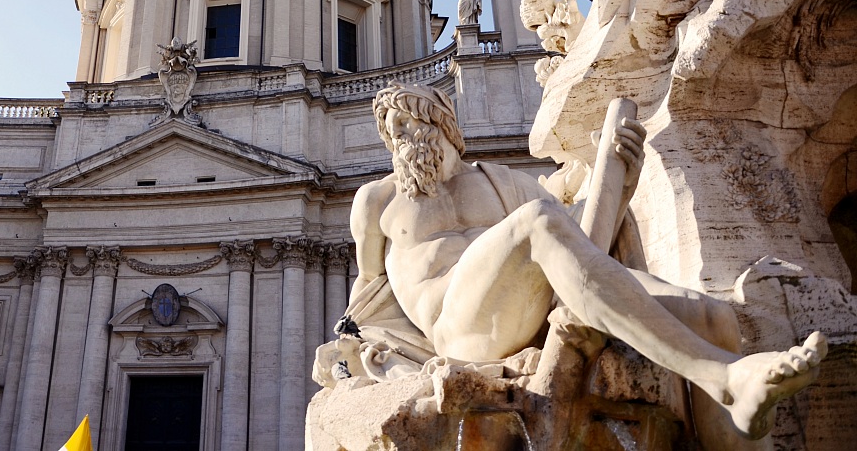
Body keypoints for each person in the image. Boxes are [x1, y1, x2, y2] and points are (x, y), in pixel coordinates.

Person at [343, 83, 825, 444]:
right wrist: (360, 355)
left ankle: (740, 411)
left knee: (711, 316)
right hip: (459, 327)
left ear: (442, 122)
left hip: (532, 308)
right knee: (538, 221)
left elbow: (583, 241)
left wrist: (621, 185)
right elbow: (367, 299)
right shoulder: (377, 200)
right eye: (391, 131)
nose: (397, 136)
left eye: (406, 121)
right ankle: (723, 376)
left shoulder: (504, 181)